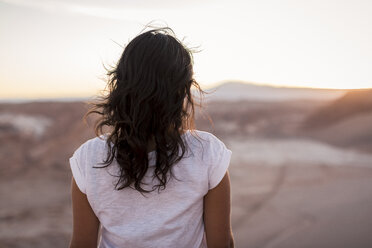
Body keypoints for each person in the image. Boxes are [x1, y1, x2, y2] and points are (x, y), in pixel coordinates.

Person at [69, 27, 234, 248]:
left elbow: (81, 244)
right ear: (182, 90)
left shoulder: (88, 158)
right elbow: (222, 245)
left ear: (120, 84)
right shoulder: (207, 153)